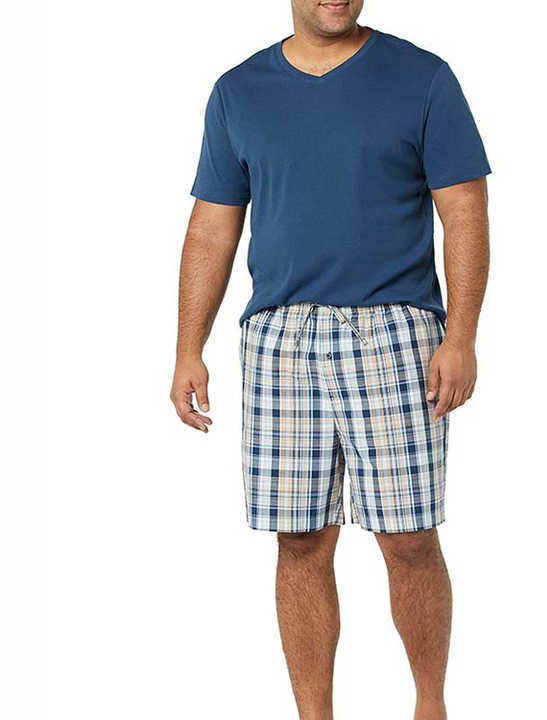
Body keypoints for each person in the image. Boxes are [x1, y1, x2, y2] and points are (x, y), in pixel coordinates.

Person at [170, 1, 490, 717]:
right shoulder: (238, 90)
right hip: (280, 337)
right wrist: (189, 347)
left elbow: (465, 210)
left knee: (409, 536)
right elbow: (213, 226)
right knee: (300, 538)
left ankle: (431, 706)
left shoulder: (423, 77)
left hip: (396, 329)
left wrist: (461, 335)